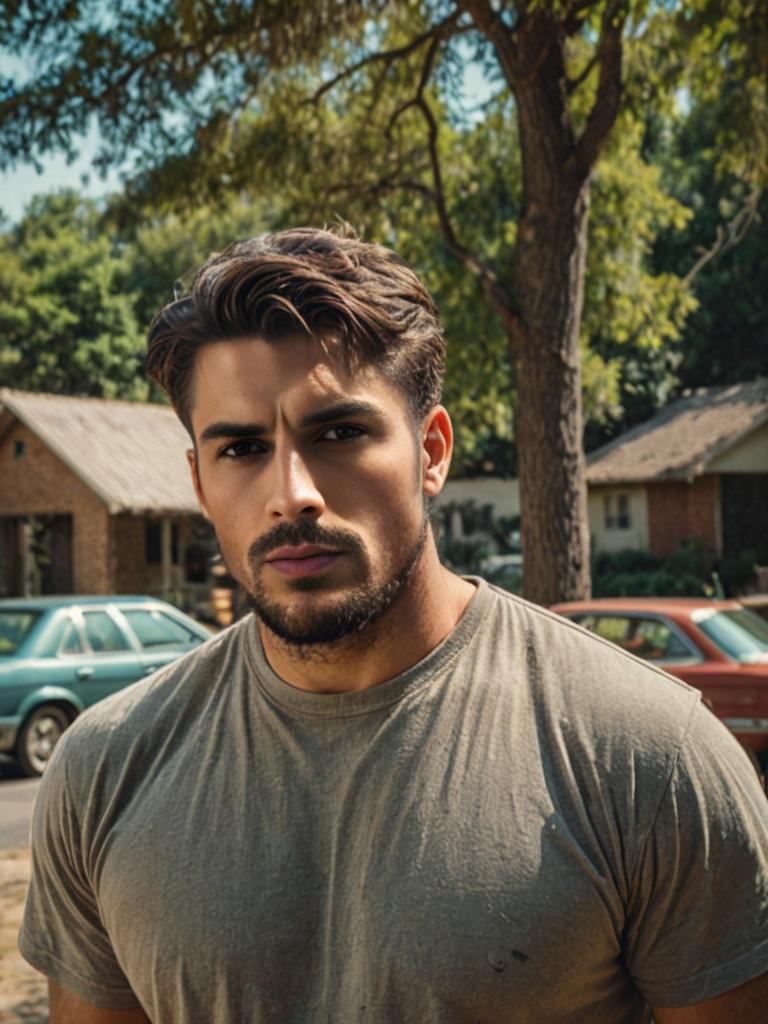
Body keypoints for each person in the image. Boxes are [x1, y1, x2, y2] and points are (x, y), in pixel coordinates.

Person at [19, 227, 768, 1023]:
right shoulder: (104, 770)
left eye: (339, 432)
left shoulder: (648, 757)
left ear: (432, 450)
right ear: (199, 483)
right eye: (240, 448)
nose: (292, 493)